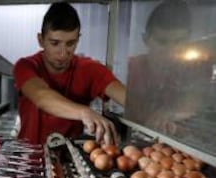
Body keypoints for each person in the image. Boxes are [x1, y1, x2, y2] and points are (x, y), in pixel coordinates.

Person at [13, 2, 126, 145]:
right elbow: (40, 95)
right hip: (28, 158)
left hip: (70, 161)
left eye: (70, 43)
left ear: (78, 39)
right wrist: (84, 112)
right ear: (41, 40)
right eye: (55, 43)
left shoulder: (89, 69)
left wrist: (155, 112)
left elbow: (127, 98)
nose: (63, 53)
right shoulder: (26, 66)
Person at [125, 0, 213, 134]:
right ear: (146, 39)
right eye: (162, 42)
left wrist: (172, 111)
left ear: (188, 39)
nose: (172, 50)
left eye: (179, 41)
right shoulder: (131, 68)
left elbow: (196, 96)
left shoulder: (196, 67)